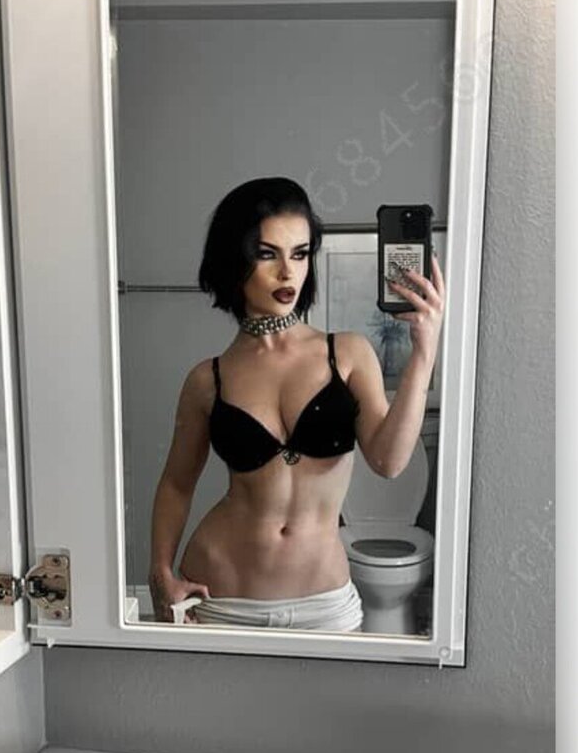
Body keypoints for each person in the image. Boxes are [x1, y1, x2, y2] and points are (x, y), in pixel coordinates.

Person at [148, 177, 444, 632]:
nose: (288, 272)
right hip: (221, 598)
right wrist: (160, 572)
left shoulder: (347, 353)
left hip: (324, 603)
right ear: (234, 260)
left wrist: (424, 352)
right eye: (267, 254)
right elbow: (176, 484)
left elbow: (389, 462)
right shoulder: (207, 380)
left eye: (300, 253)